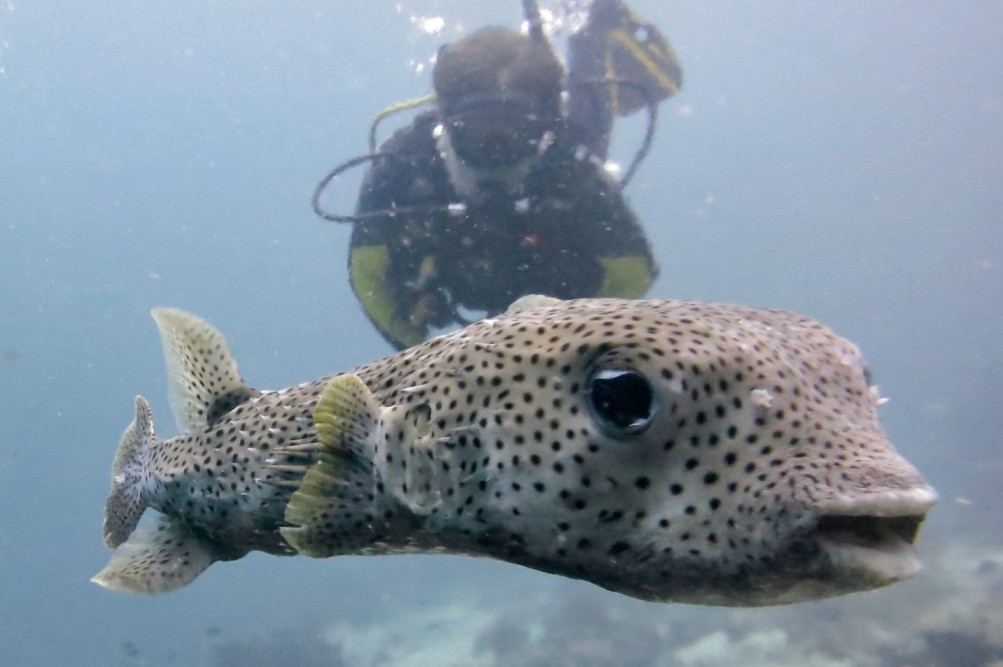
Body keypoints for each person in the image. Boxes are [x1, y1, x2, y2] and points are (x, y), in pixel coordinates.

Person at [321, 0, 682, 349]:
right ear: (445, 117)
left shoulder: (569, 167)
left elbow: (632, 271)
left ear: (545, 122)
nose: (496, 145)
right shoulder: (403, 165)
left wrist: (571, 344)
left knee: (590, 119)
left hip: (560, 282)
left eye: (514, 128)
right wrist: (416, 354)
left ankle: (593, 32)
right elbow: (367, 271)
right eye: (480, 128)